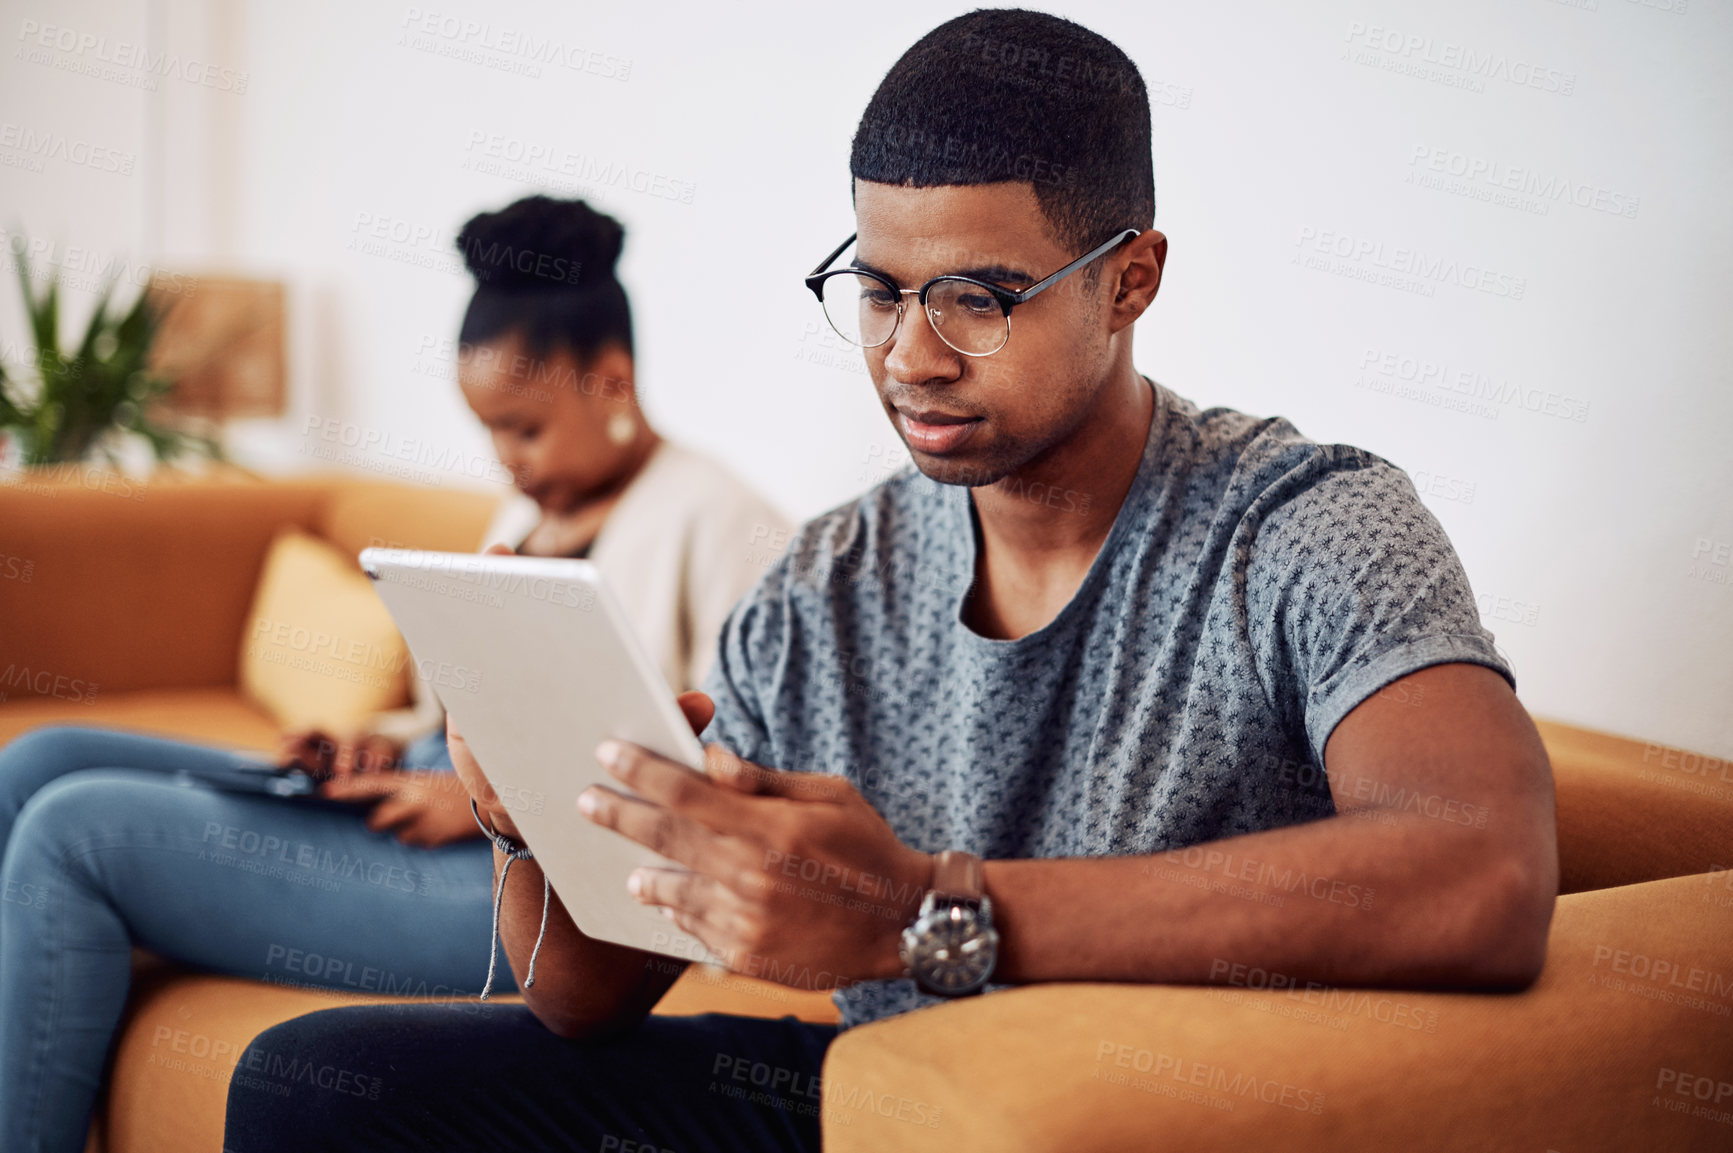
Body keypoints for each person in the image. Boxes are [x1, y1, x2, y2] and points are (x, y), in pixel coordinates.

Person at [223, 11, 1558, 1152]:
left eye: (980, 295)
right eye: (878, 288)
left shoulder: (1306, 524)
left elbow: (1482, 877)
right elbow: (584, 1000)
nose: (911, 357)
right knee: (315, 1085)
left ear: (1131, 280)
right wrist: (530, 816)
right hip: (882, 1104)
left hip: (1126, 1119)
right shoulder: (825, 582)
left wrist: (922, 908)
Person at [0, 195, 790, 1153]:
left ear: (612, 381)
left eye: (525, 428)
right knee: (40, 757)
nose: (506, 458)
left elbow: (735, 780)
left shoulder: (725, 525)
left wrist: (489, 803)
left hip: (527, 890)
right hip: (422, 816)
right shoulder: (522, 518)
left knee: (73, 833)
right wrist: (380, 742)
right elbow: (455, 705)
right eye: (489, 431)